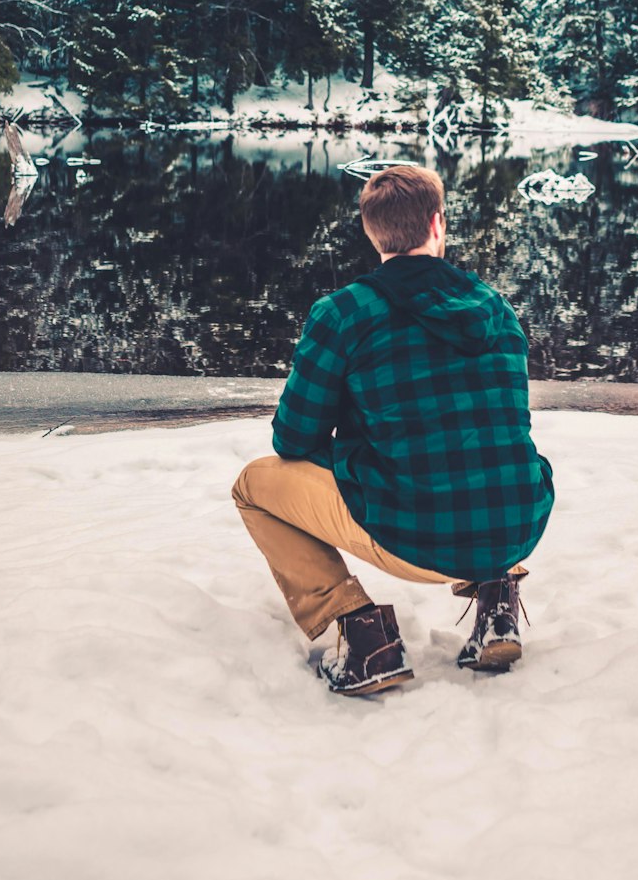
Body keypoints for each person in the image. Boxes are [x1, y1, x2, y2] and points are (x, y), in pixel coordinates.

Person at [231, 163, 554, 697]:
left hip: (415, 535)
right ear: (437, 224)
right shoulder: (496, 307)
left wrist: (356, 441)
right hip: (516, 521)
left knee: (254, 486)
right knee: (477, 455)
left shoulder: (343, 313)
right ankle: (498, 605)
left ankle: (365, 640)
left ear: (370, 231)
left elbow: (292, 440)